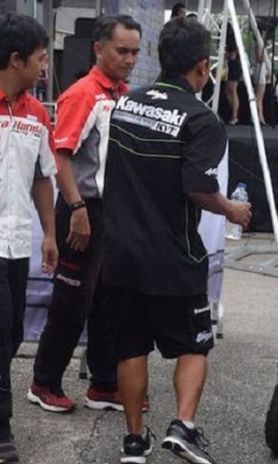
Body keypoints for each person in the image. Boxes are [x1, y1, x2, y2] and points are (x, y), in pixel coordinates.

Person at [102, 17, 251, 464]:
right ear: (204, 66)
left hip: (121, 257)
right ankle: (184, 426)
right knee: (194, 345)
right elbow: (197, 189)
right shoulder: (202, 119)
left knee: (131, 348)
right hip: (173, 256)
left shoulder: (126, 104)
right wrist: (233, 209)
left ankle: (134, 442)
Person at [28, 15, 141, 414]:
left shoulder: (123, 95)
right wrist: (76, 208)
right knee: (72, 301)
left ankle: (105, 384)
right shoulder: (84, 93)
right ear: (98, 49)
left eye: (134, 52)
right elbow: (60, 155)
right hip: (82, 209)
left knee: (108, 299)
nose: (129, 59)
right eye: (121, 51)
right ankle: (44, 382)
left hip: (111, 213)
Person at [0, 13, 58, 463]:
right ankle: (2, 428)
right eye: (40, 59)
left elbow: (43, 178)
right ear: (15, 59)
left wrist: (49, 232)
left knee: (15, 330)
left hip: (17, 241)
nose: (44, 68)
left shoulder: (37, 113)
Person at [224, 23, 242, 125]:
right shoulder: (233, 40)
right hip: (233, 67)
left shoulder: (232, 41)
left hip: (235, 67)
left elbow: (232, 56)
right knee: (228, 90)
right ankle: (233, 113)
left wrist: (227, 54)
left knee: (232, 90)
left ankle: (235, 115)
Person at [254, 29, 272, 126]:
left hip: (261, 70)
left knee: (259, 96)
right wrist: (267, 53)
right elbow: (259, 59)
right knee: (259, 96)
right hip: (260, 70)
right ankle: (259, 117)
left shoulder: (260, 46)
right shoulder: (258, 46)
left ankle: (259, 116)